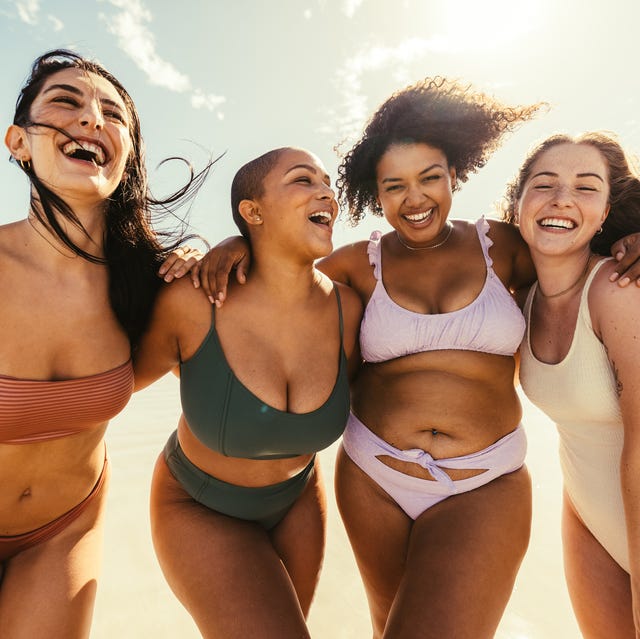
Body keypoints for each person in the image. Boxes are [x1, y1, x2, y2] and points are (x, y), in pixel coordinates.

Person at [197, 79, 640, 639]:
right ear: (373, 194)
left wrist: (635, 236)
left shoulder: (503, 246)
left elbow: (572, 245)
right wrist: (238, 242)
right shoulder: (356, 263)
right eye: (394, 185)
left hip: (485, 481)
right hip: (373, 477)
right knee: (387, 625)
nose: (416, 198)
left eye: (431, 178)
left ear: (454, 175)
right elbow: (280, 276)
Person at [0, 49, 205, 638]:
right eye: (65, 102)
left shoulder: (152, 285)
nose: (91, 119)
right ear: (18, 141)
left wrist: (230, 253)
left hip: (61, 532)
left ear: (126, 155)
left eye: (112, 115)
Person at [132, 146, 362, 639]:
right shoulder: (192, 302)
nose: (327, 192)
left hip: (299, 501)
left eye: (327, 182)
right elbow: (112, 386)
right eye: (303, 180)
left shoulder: (350, 310)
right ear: (252, 212)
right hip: (197, 505)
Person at [503, 132, 640, 638]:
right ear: (518, 203)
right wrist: (240, 241)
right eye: (545, 184)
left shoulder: (617, 288)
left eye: (586, 188)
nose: (562, 199)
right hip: (591, 521)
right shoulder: (519, 303)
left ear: (606, 213)